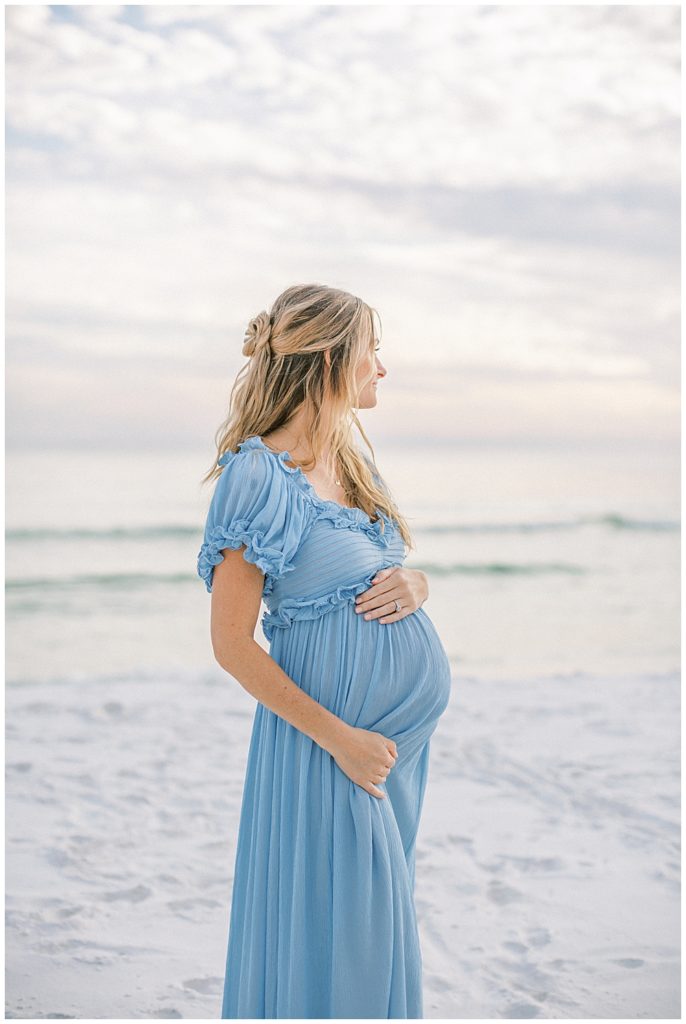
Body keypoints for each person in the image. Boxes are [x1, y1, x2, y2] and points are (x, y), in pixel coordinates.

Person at [197, 283, 452, 1019]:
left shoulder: (355, 470)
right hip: (329, 746)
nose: (382, 368)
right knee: (354, 939)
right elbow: (231, 644)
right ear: (334, 358)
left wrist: (418, 583)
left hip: (392, 748)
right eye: (374, 350)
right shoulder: (256, 476)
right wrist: (341, 740)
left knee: (368, 929)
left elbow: (381, 573)